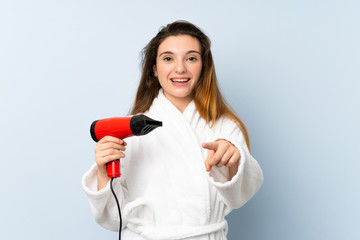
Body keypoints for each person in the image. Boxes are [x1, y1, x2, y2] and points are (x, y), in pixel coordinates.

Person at [82, 20, 263, 240]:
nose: (180, 68)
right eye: (168, 58)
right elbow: (113, 220)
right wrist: (103, 174)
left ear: (203, 68)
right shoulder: (130, 130)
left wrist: (233, 161)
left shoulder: (225, 126)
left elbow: (239, 197)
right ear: (154, 69)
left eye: (191, 58)